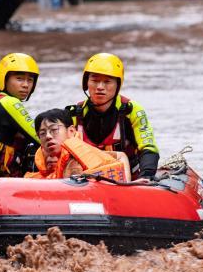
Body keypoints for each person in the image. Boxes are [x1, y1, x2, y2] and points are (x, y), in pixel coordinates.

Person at [66, 53, 159, 181]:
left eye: (107, 81)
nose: (100, 87)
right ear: (86, 83)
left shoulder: (132, 111)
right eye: (95, 80)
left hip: (129, 179)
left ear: (117, 85)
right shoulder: (75, 113)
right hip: (85, 181)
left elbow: (148, 147)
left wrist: (147, 175)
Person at [24, 109, 129, 181]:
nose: (48, 136)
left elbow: (121, 156)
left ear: (71, 131)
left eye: (54, 130)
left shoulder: (82, 156)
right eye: (42, 133)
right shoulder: (41, 160)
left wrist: (127, 184)